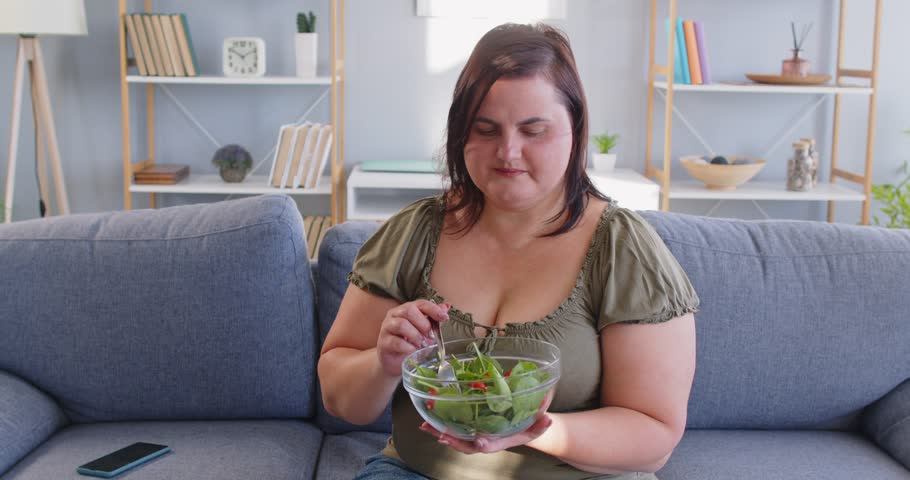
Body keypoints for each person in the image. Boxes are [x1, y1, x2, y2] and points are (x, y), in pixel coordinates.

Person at [318, 22, 699, 480]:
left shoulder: (624, 250)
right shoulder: (413, 234)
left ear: (575, 129)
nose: (508, 152)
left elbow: (654, 438)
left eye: (533, 131)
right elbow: (340, 401)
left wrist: (529, 429)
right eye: (486, 129)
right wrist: (383, 363)